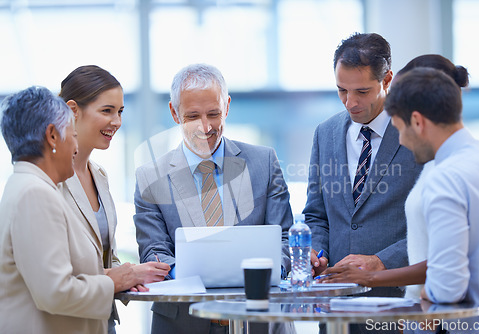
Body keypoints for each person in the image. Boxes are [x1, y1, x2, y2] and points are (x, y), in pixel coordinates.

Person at [134, 63, 294, 334]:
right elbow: (154, 252)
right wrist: (200, 276)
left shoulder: (264, 162)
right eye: (193, 116)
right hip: (182, 322)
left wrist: (269, 272)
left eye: (214, 114)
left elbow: (285, 239)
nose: (205, 127)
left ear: (227, 107)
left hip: (260, 321)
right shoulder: (150, 177)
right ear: (174, 113)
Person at [0, 86, 159, 334]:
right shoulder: (36, 194)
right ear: (52, 136)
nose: (76, 148)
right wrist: (112, 281)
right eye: (72, 136)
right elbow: (55, 293)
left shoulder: (27, 186)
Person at [320, 55, 470, 300]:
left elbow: (447, 266)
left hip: (428, 308)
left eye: (399, 127)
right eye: (342, 90)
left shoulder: (446, 172)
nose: (350, 102)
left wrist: (375, 272)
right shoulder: (468, 163)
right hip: (353, 300)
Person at [303, 32, 422, 333]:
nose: (350, 102)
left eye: (362, 92)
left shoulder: (416, 135)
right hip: (335, 308)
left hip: (398, 306)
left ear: (388, 80)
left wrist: (382, 262)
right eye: (341, 90)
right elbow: (317, 214)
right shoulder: (325, 133)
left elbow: (433, 228)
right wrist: (318, 251)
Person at [58, 65, 171, 333]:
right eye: (107, 111)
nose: (117, 122)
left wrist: (135, 272)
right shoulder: (50, 181)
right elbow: (54, 276)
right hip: (64, 322)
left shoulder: (99, 175)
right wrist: (122, 277)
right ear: (73, 110)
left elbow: (107, 258)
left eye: (120, 112)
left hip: (102, 321)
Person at [386, 67, 479, 332]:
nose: (401, 141)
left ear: (417, 121)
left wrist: (429, 290)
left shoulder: (444, 177)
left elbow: (448, 286)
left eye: (399, 129)